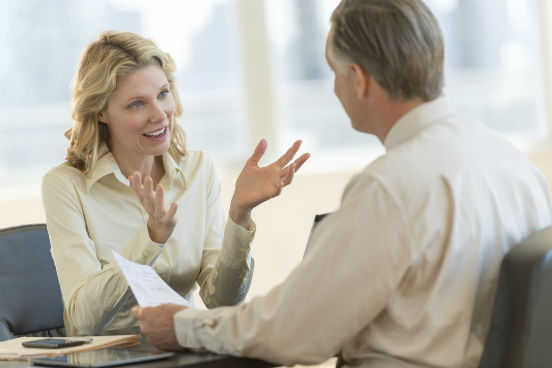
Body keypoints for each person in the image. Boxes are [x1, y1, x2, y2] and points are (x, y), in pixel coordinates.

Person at [133, 0, 552, 366]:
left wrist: (181, 325)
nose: (333, 86)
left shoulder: (391, 187)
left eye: (333, 72)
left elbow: (292, 330)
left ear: (359, 78)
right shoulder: (513, 164)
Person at [41, 31, 310, 337]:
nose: (160, 115)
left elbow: (222, 301)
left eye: (163, 94)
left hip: (185, 348)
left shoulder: (197, 169)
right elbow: (82, 320)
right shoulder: (65, 186)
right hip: (111, 358)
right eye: (136, 104)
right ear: (101, 112)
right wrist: (150, 240)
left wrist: (239, 215)